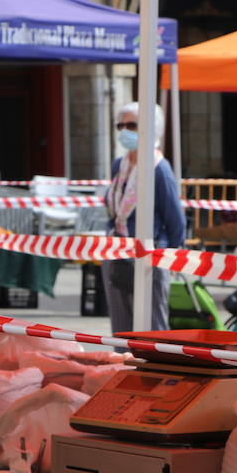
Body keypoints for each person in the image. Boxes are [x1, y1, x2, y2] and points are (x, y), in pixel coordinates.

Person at [102, 102, 186, 333]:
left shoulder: (160, 168)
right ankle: (125, 365)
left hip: (151, 257)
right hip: (117, 252)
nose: (125, 131)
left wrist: (171, 255)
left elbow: (175, 220)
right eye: (121, 125)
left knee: (153, 325)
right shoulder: (120, 165)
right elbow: (114, 207)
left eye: (132, 125)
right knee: (121, 326)